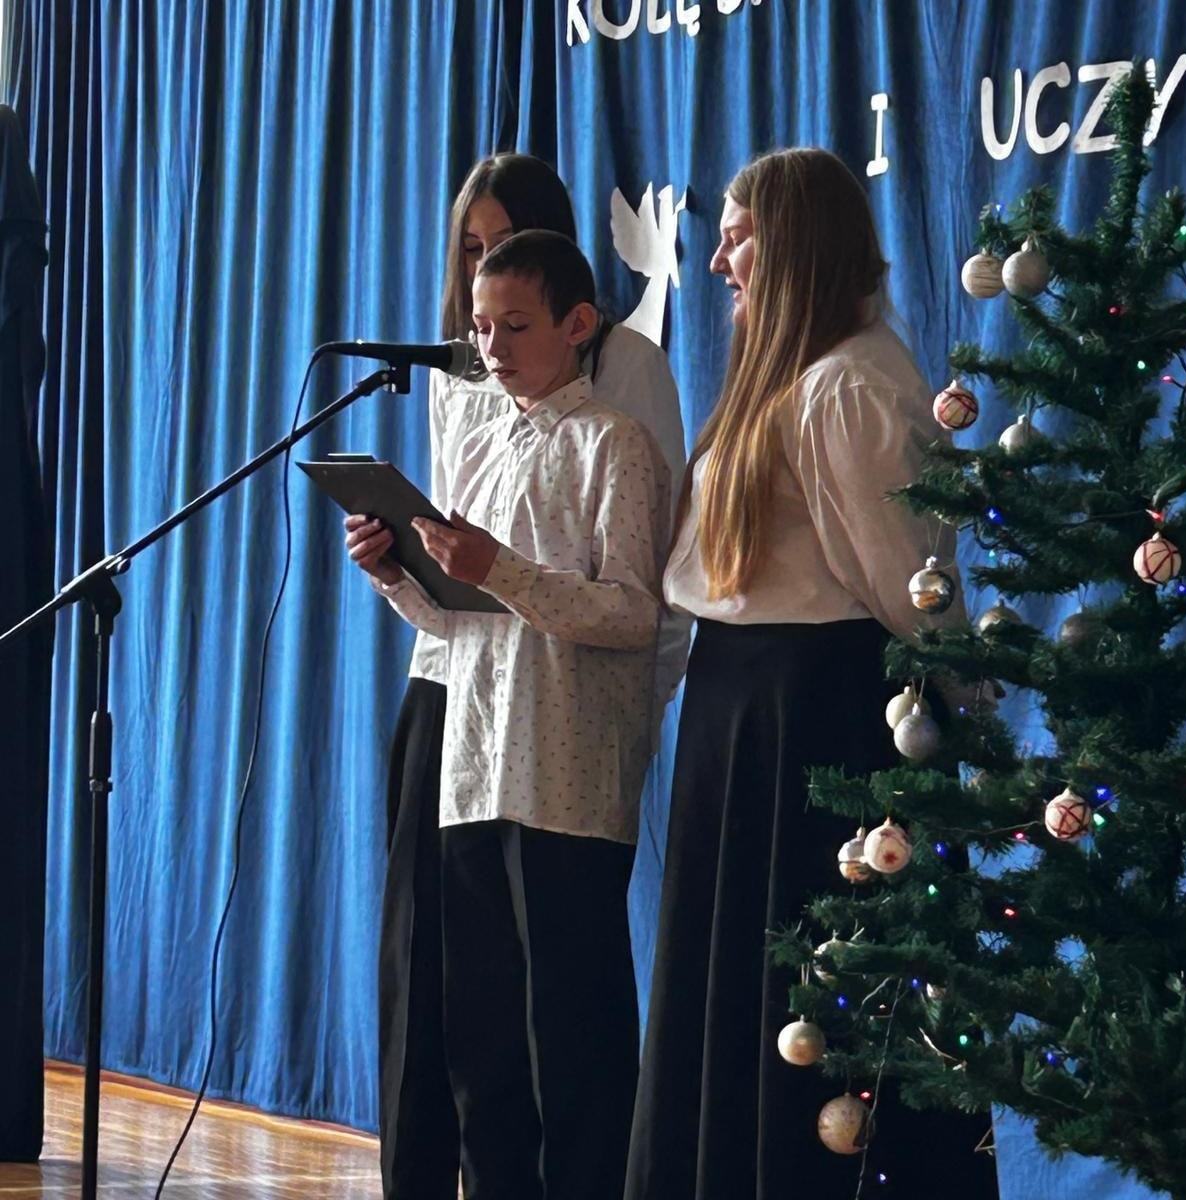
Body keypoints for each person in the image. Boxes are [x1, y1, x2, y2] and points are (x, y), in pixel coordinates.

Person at [623, 149, 999, 1200]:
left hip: (816, 724)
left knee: (813, 1003)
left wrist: (965, 710)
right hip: (742, 710)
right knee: (736, 989)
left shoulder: (851, 386)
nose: (718, 263)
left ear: (791, 246)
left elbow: (908, 588)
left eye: (738, 238)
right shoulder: (792, 378)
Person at [368, 154, 685, 1200]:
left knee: (572, 1042)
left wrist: (496, 569)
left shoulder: (614, 445)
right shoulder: (484, 438)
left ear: (577, 324)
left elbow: (633, 612)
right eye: (480, 324)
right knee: (481, 1038)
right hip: (474, 765)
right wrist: (399, 576)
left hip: (564, 776)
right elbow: (466, 622)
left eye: (512, 326)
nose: (491, 348)